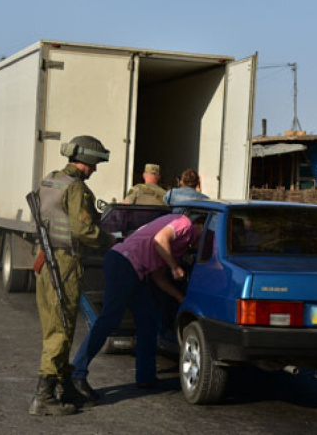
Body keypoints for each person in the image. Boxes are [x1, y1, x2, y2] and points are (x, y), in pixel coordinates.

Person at [70, 212, 205, 404]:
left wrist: (180, 299)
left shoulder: (179, 246)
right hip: (123, 263)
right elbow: (160, 240)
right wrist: (175, 267)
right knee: (109, 320)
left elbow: (158, 276)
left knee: (148, 319)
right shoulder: (184, 223)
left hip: (134, 270)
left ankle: (146, 378)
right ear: (201, 229)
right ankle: (77, 373)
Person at [29, 135, 117, 417]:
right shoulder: (77, 187)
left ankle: (64, 386)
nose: (96, 169)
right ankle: (43, 397)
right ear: (88, 160)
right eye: (96, 163)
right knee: (61, 327)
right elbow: (82, 230)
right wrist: (109, 241)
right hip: (63, 263)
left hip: (45, 259)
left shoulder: (51, 179)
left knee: (57, 324)